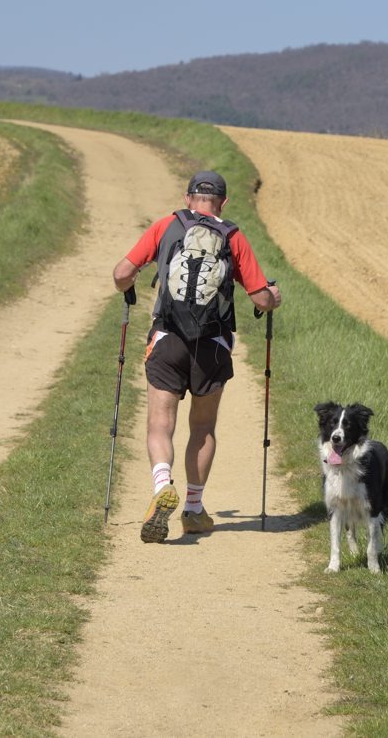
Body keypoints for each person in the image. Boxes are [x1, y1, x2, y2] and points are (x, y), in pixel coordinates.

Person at [112, 170, 281, 543]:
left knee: (160, 424)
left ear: (188, 198)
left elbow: (122, 273)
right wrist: (274, 296)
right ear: (223, 202)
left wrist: (129, 286)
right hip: (212, 345)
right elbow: (260, 298)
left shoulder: (166, 226)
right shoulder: (233, 237)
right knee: (203, 427)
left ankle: (162, 487)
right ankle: (193, 509)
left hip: (167, 339)